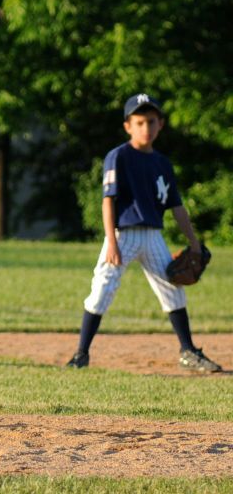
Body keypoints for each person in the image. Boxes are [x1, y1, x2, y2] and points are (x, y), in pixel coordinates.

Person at [65, 93, 221, 373]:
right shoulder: (119, 157)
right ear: (128, 126)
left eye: (151, 121)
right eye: (139, 122)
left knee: (173, 289)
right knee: (102, 289)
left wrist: (194, 243)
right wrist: (111, 241)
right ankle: (81, 354)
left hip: (152, 236)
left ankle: (188, 351)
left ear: (160, 124)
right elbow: (108, 201)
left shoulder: (162, 163)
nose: (145, 128)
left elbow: (177, 207)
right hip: (123, 235)